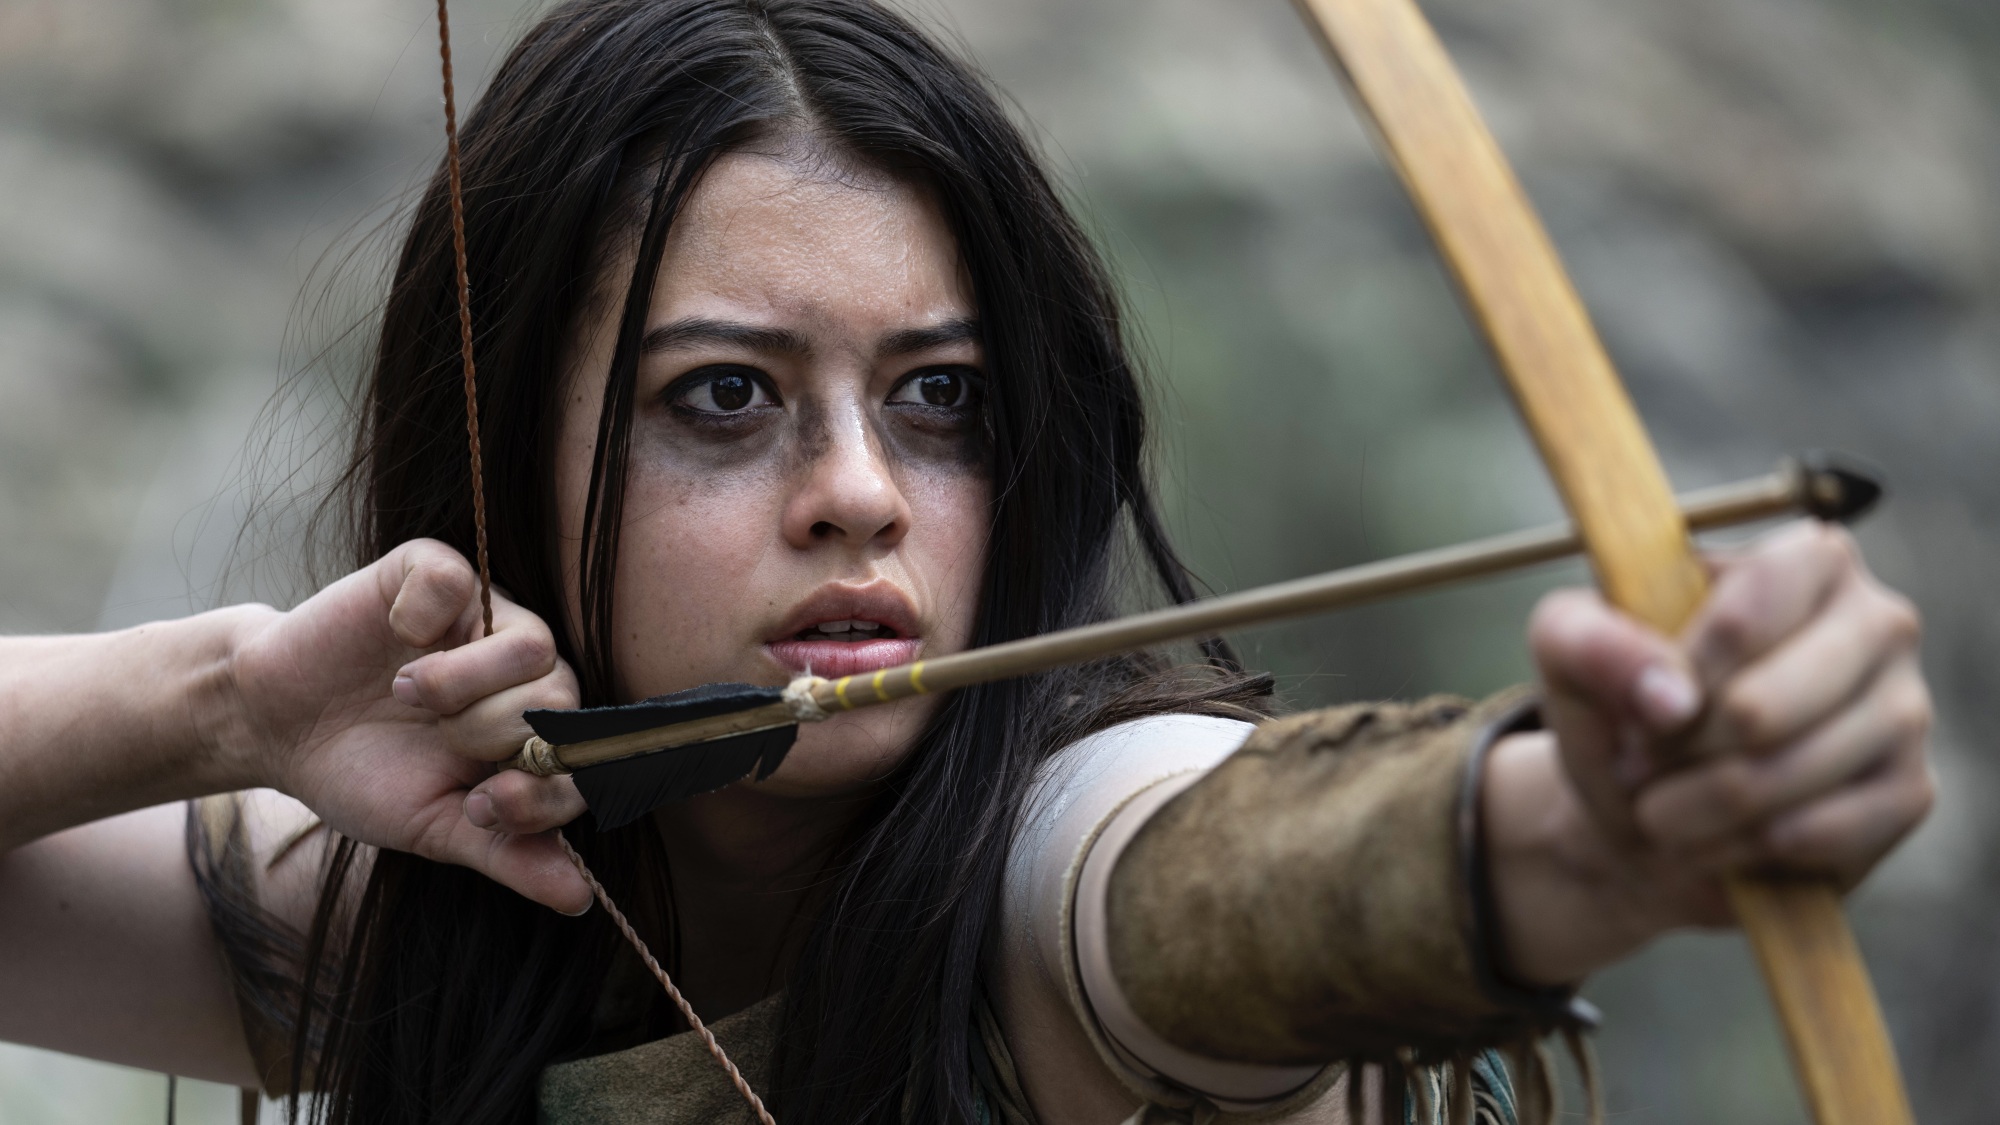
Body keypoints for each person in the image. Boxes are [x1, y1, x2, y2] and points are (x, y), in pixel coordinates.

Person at [0, 1, 1933, 1122]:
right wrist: (234, 702)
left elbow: (1210, 875)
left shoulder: (1063, 855)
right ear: (504, 468)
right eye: (727, 400)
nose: (860, 491)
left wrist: (1586, 831)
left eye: (938, 401)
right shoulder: (441, 904)